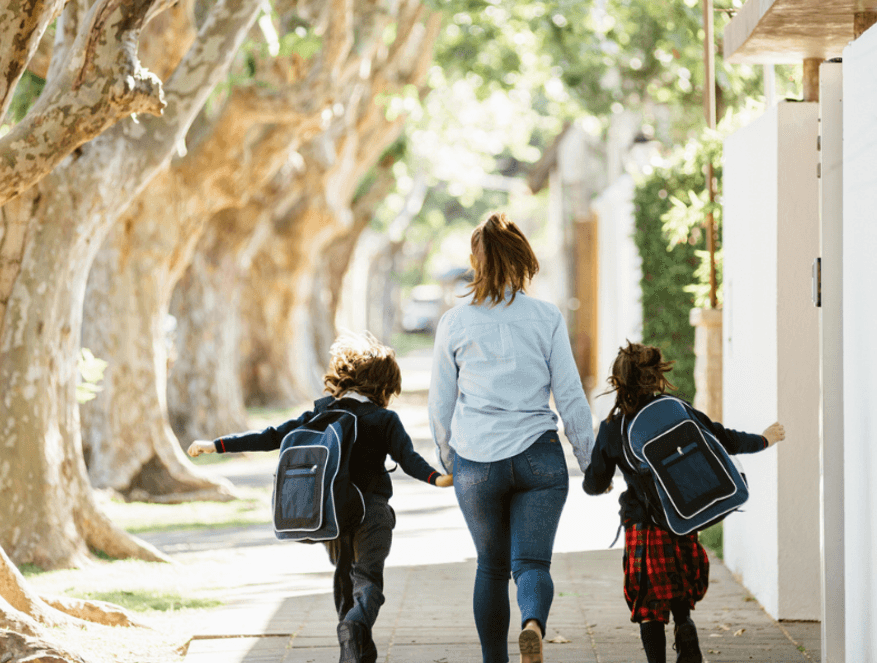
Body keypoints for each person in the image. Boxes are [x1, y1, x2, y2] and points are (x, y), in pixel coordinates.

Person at [188, 334, 453, 663]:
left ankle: (353, 649)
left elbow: (272, 436)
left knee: (344, 575)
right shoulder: (384, 419)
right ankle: (355, 627)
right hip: (371, 513)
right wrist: (437, 478)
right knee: (368, 580)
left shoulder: (322, 412)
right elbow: (409, 458)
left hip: (330, 511)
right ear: (385, 386)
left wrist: (216, 445)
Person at [428, 213, 594, 663]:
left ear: (475, 261)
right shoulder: (546, 317)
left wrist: (449, 460)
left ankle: (494, 660)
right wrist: (589, 458)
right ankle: (533, 624)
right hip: (539, 454)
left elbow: (440, 405)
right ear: (523, 259)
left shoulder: (455, 322)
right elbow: (571, 396)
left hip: (476, 460)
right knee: (532, 565)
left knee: (491, 566)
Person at [581, 342, 785, 663]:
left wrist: (602, 483)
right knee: (677, 584)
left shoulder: (612, 428)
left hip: (642, 524)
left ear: (618, 381)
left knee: (649, 603)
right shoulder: (677, 409)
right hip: (680, 516)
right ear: (656, 376)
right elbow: (722, 437)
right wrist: (763, 439)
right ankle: (685, 628)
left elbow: (594, 483)